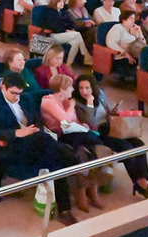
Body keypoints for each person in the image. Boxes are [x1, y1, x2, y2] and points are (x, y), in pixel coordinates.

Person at [0, 73, 79, 225]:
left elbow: (37, 120)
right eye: (13, 93)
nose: (17, 97)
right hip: (12, 145)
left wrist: (34, 129)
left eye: (19, 93)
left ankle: (65, 210)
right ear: (3, 87)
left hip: (36, 142)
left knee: (55, 163)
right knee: (50, 145)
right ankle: (74, 161)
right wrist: (16, 133)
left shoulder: (26, 99)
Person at [73, 75, 148, 198]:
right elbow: (90, 123)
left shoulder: (100, 95)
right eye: (81, 88)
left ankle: (142, 179)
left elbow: (106, 110)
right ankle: (140, 183)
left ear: (93, 88)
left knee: (139, 144)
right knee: (126, 147)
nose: (84, 91)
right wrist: (89, 105)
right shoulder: (78, 103)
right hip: (98, 133)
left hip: (110, 127)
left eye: (87, 88)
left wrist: (113, 111)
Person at [39, 74, 103, 212]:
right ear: (62, 89)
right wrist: (72, 106)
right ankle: (87, 193)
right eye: (70, 87)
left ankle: (90, 192)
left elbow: (74, 122)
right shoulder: (48, 101)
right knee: (88, 142)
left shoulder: (66, 101)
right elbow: (66, 121)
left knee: (83, 151)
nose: (72, 90)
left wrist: (82, 125)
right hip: (57, 136)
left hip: (71, 135)